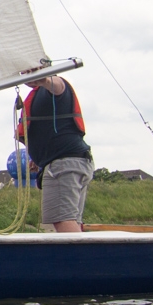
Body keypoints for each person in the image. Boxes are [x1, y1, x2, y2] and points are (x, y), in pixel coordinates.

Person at [18, 74, 92, 232]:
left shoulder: (53, 85)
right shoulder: (41, 94)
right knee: (71, 219)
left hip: (64, 164)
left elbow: (58, 86)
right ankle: (79, 255)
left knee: (62, 219)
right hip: (72, 162)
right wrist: (39, 157)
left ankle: (76, 257)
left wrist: (44, 79)